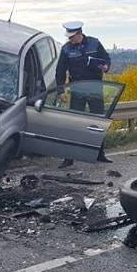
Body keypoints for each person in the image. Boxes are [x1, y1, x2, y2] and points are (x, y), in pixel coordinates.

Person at [55, 21, 113, 167]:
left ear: (79, 34)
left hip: (95, 89)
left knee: (98, 121)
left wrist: (105, 67)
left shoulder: (94, 43)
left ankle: (100, 154)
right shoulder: (66, 49)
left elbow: (106, 60)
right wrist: (61, 90)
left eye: (72, 37)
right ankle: (69, 158)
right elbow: (60, 71)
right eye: (68, 37)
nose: (69, 39)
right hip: (77, 90)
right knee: (74, 124)